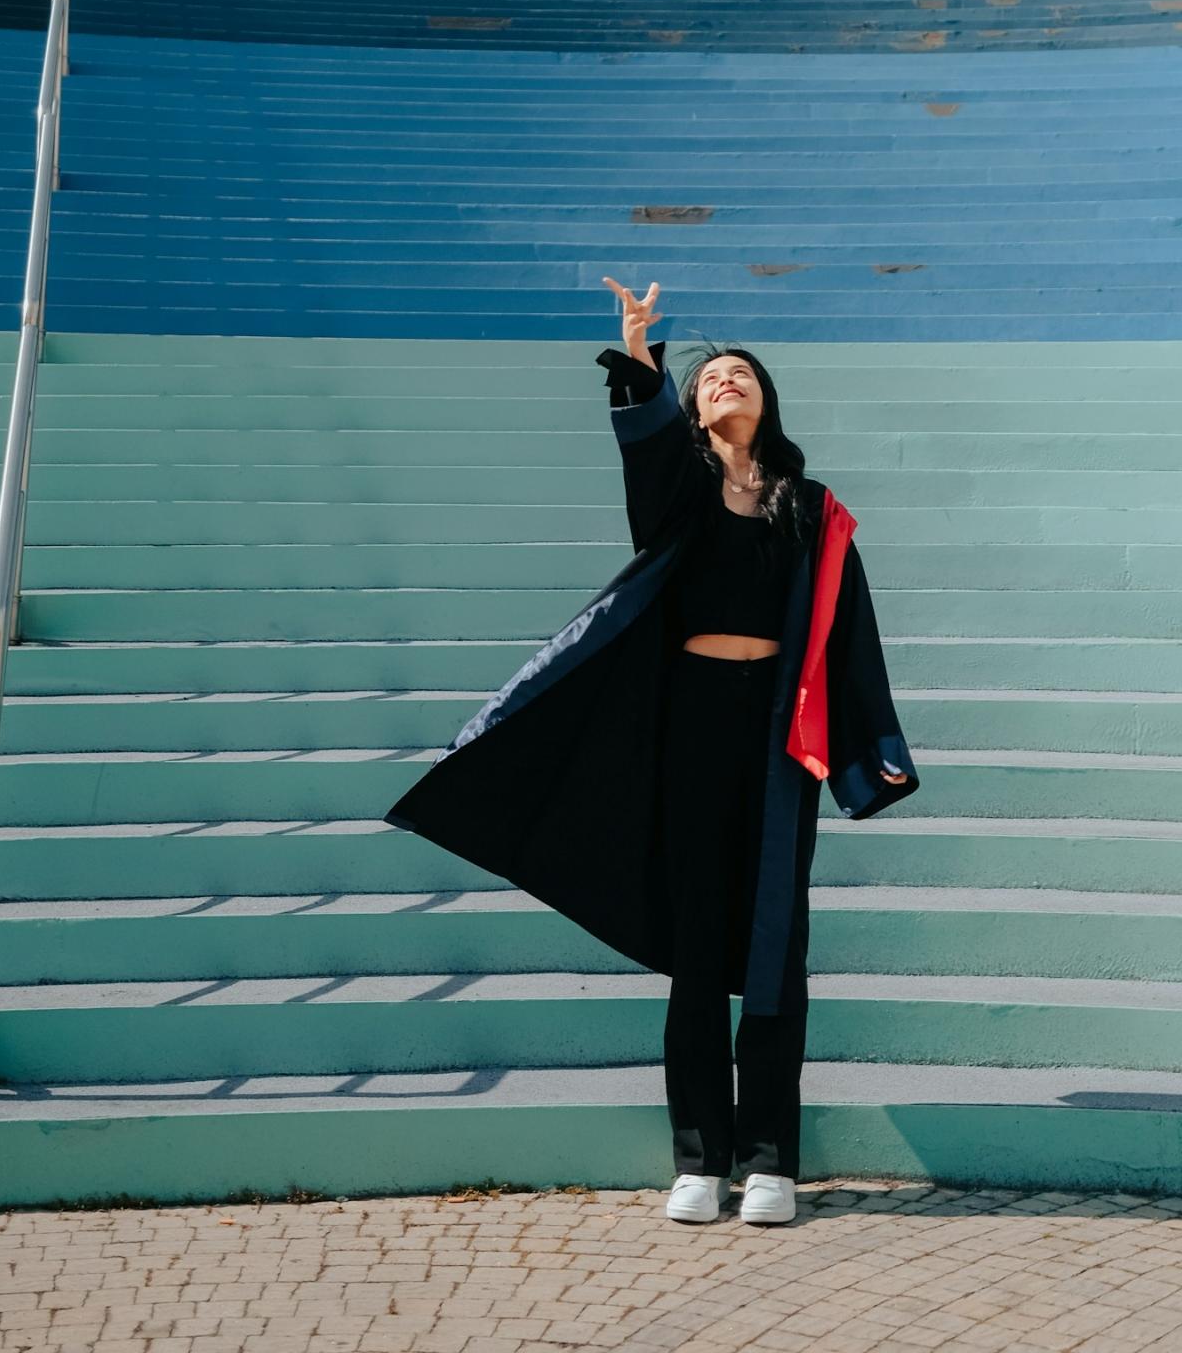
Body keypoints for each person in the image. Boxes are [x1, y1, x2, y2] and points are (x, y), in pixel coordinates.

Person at [385, 277, 918, 1229]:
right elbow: (644, 445)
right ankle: (699, 1162)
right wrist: (641, 361)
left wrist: (869, 748)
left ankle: (769, 1164)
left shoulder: (812, 508)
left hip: (775, 739)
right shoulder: (679, 492)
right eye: (710, 376)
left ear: (766, 402)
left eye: (739, 374)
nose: (724, 382)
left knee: (771, 952)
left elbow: (850, 635)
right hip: (688, 726)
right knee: (696, 944)